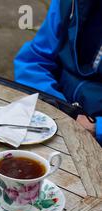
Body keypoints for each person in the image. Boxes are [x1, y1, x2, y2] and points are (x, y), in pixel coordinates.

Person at [14, 0, 102, 143]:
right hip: (60, 115)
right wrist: (62, 109)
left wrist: (97, 128)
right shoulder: (68, 3)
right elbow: (34, 61)